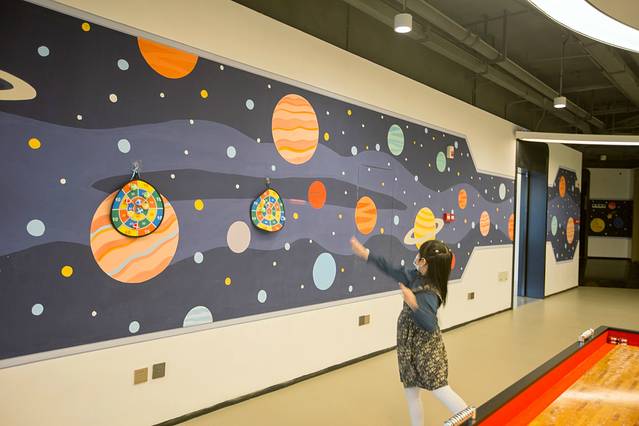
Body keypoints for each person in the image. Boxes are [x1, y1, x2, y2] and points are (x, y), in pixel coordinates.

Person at [350, 236, 468, 426]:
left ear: (425, 263)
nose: (416, 258)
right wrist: (367, 255)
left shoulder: (430, 291)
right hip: (409, 346)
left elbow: (430, 324)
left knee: (439, 388)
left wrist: (413, 303)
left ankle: (468, 416)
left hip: (426, 349)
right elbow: (392, 269)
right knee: (411, 393)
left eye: (420, 256)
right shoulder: (415, 276)